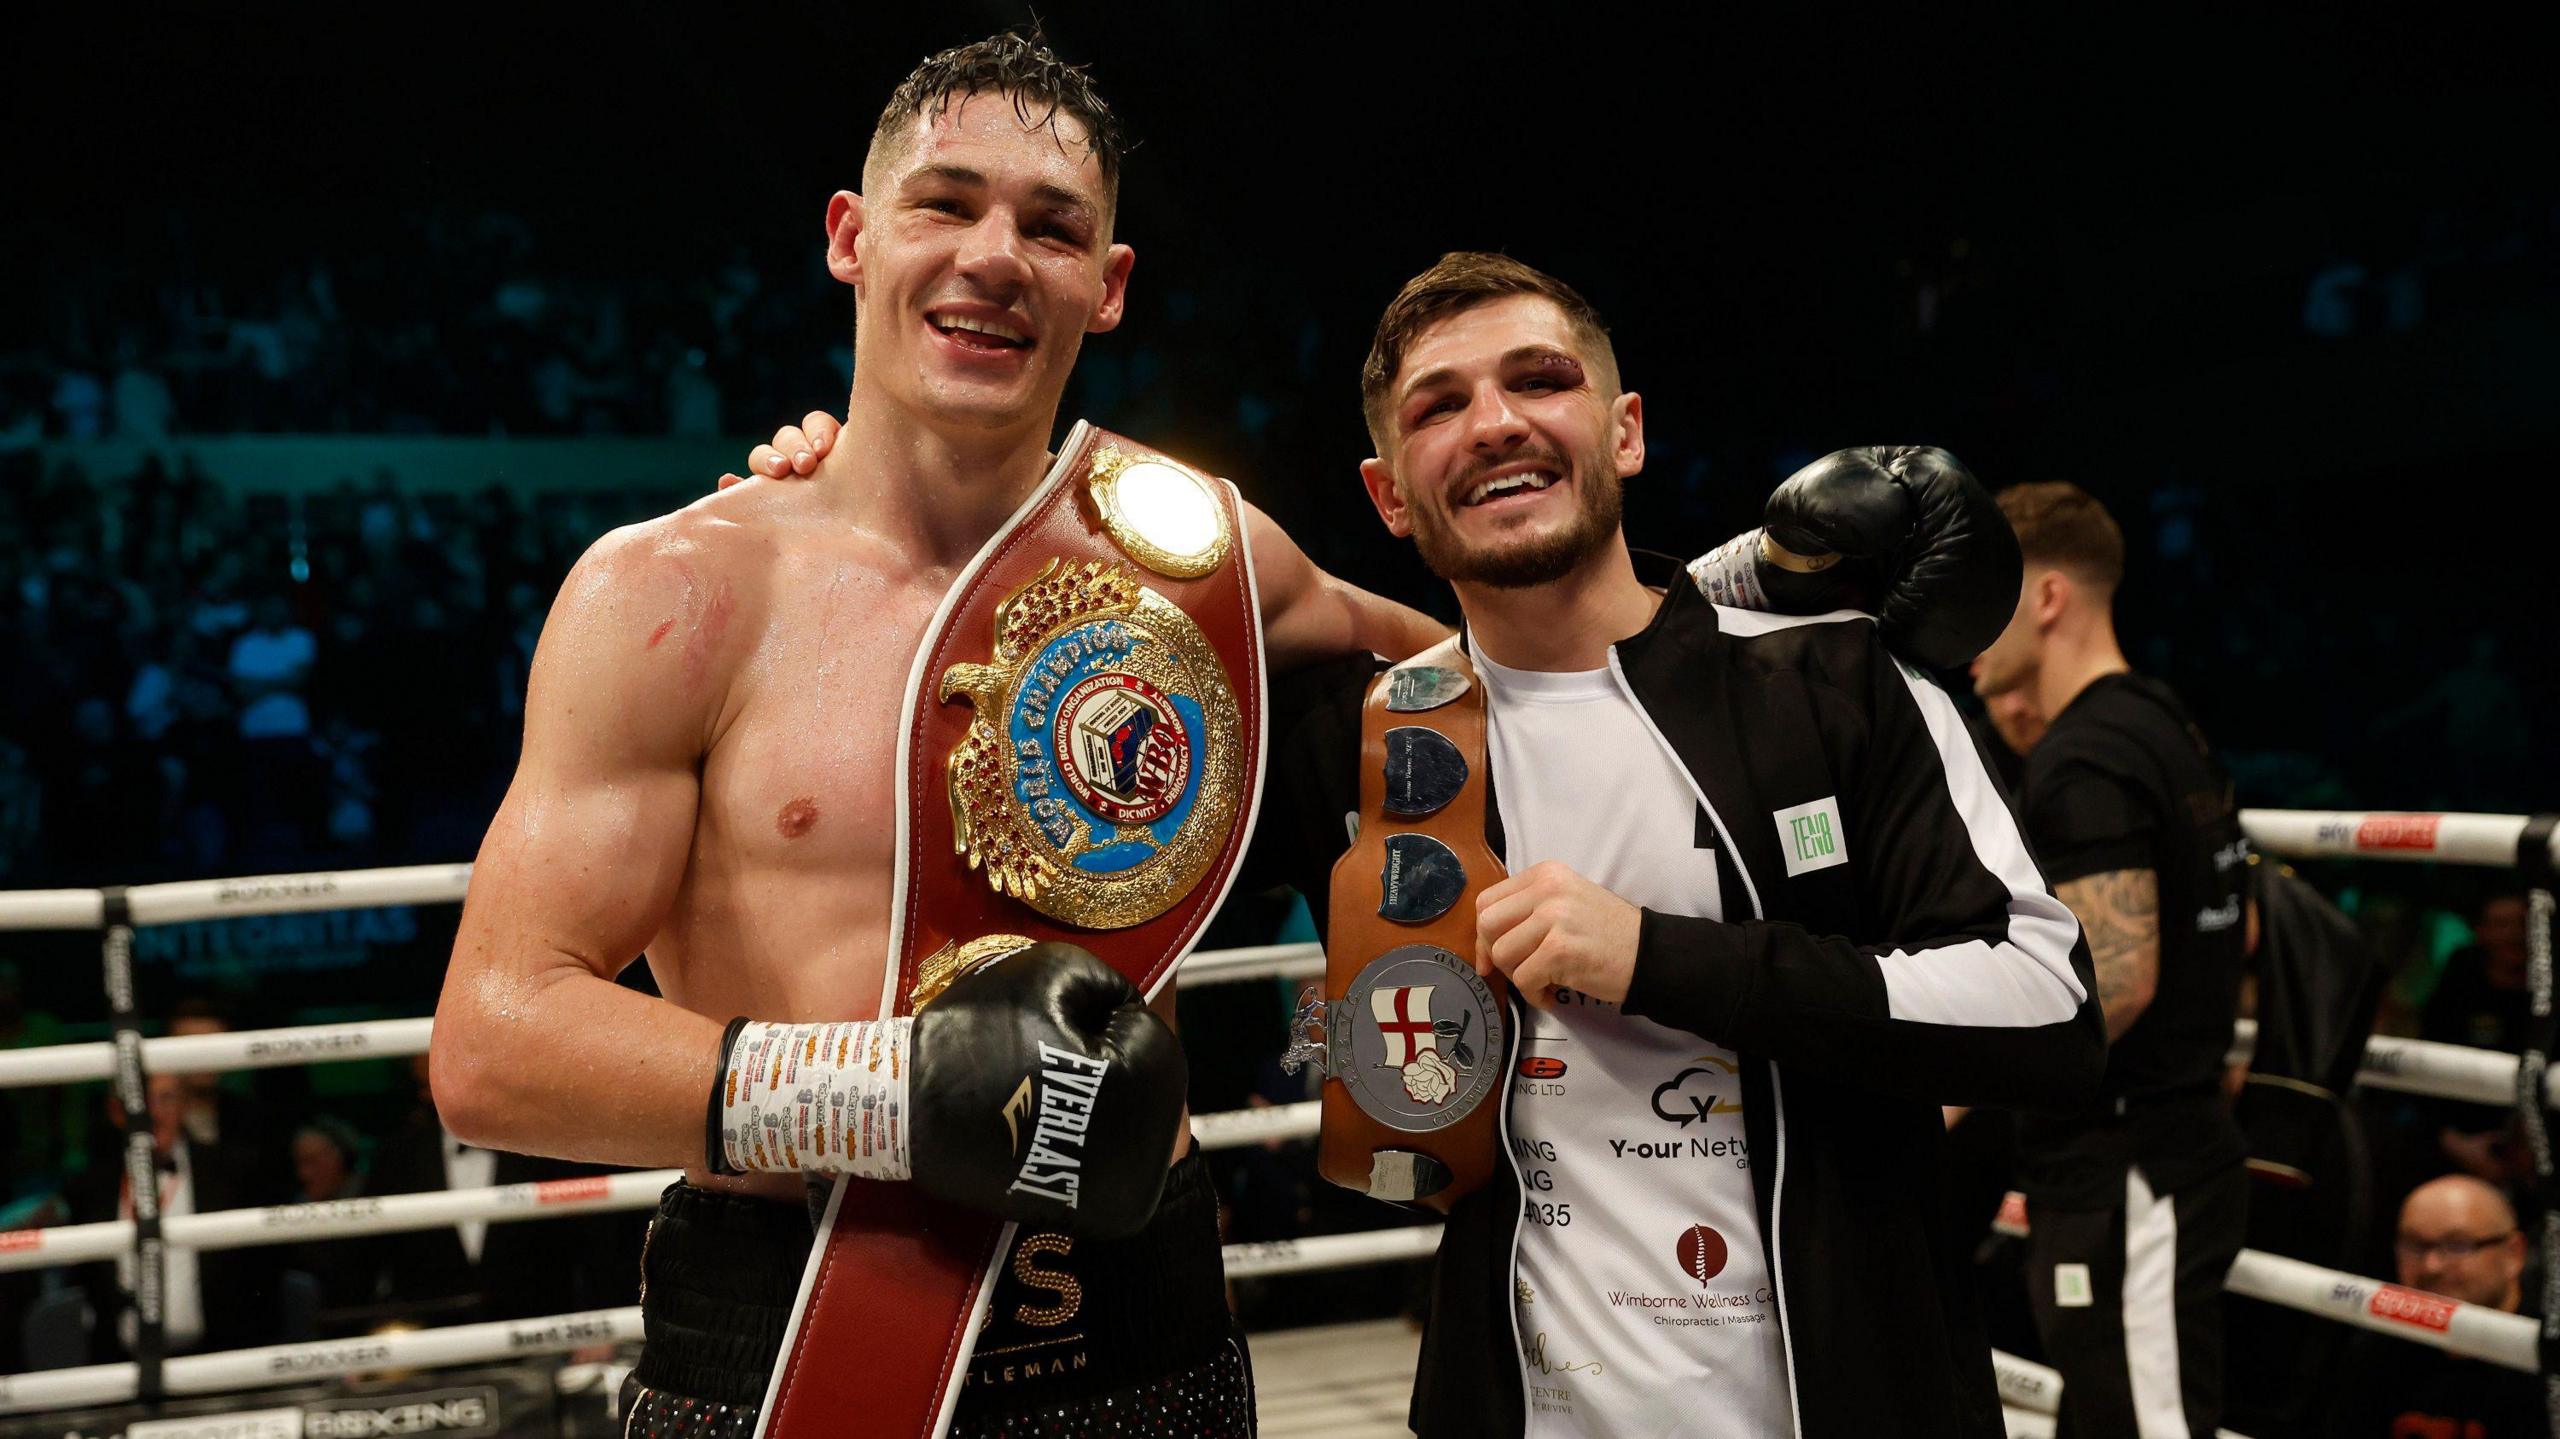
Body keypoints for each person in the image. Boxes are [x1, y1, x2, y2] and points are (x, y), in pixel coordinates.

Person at [758, 250, 2101, 1437]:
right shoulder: (1365, 737)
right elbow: (1005, 789)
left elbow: (2049, 1004)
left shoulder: (1837, 681)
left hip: (1855, 1391)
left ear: (1623, 429)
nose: (1496, 421)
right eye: (1439, 405)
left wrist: (1659, 955)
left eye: (1539, 380)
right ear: (1389, 494)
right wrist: (844, 507)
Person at [431, 32, 1445, 1439]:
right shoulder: (675, 593)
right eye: (944, 203)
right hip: (799, 1343)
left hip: (1151, 1332)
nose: (996, 255)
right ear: (852, 236)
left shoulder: (1200, 552)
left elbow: (1497, 679)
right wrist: (896, 1093)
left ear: (1109, 286)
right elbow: (493, 1042)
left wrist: (1755, 599)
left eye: (1052, 226)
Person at [1970, 481, 2250, 1439]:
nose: (1965, 620)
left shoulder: (2086, 756)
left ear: (2047, 597)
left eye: (1987, 592)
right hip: (2160, 1143)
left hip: (2131, 1159)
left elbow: (2115, 985)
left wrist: (1953, 1083)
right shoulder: (2164, 722)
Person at [2322, 1175, 2543, 1436]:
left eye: (2457, 1245)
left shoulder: (2544, 1355)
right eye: (2415, 1245)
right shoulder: (2379, 1347)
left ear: (2513, 1254)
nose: (2431, 1265)